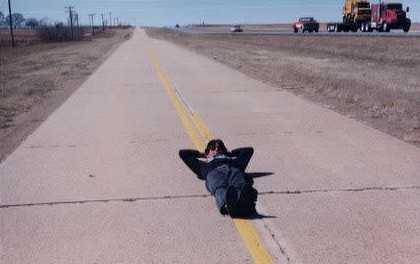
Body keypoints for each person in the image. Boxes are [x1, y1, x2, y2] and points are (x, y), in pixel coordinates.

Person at [179, 139, 258, 217]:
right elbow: (183, 154)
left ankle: (245, 203)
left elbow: (248, 151)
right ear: (208, 152)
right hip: (214, 172)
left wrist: (229, 154)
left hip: (233, 170)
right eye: (213, 148)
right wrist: (203, 154)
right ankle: (226, 205)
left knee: (240, 185)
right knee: (220, 187)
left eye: (220, 148)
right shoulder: (203, 165)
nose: (216, 149)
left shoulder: (235, 162)